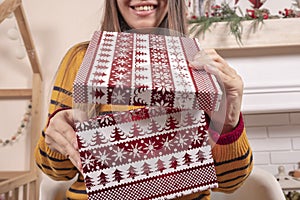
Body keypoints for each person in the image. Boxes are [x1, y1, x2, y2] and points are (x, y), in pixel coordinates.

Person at [35, 0, 253, 199]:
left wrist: (230, 117)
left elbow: (230, 182)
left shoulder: (200, 67)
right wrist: (57, 135)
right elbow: (55, 170)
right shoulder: (82, 59)